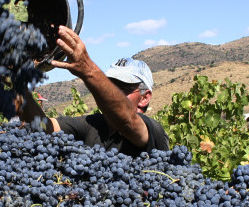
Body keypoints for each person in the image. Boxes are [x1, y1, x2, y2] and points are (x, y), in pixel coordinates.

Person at [18, 26, 169, 156]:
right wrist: (17, 82)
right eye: (109, 85)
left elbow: (128, 121)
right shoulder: (95, 124)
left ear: (144, 98)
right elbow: (45, 127)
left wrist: (88, 70)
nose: (111, 92)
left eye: (122, 88)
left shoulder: (153, 132)